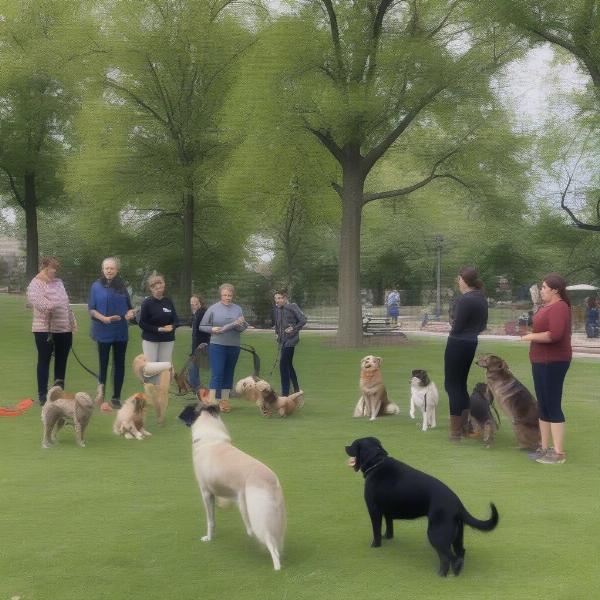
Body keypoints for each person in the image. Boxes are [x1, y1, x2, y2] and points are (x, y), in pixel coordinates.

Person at [520, 274, 572, 464]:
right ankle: (543, 447)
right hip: (540, 361)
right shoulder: (545, 307)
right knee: (542, 404)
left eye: (544, 287)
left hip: (554, 362)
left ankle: (558, 453)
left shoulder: (560, 307)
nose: (541, 290)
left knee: (552, 404)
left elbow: (555, 335)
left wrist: (529, 337)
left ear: (555, 290)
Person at [444, 266, 488, 441]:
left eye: (459, 279)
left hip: (457, 343)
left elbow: (457, 325)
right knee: (460, 384)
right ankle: (465, 426)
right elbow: (482, 325)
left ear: (463, 280)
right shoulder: (481, 298)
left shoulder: (465, 299)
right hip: (471, 343)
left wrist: (453, 323)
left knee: (452, 385)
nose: (458, 282)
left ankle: (456, 431)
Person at [26, 257, 77, 405]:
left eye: (56, 268)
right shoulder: (35, 284)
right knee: (44, 361)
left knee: (61, 362)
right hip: (44, 330)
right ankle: (42, 395)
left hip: (64, 329)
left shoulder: (59, 283)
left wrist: (72, 323)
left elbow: (66, 304)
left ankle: (58, 393)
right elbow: (40, 304)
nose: (55, 271)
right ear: (44, 267)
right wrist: (53, 304)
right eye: (53, 268)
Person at [88, 257, 136, 412]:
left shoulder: (123, 287)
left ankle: (116, 397)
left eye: (112, 268)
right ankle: (100, 394)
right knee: (103, 363)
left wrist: (130, 314)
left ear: (117, 270)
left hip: (120, 331)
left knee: (119, 364)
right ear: (102, 269)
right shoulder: (96, 286)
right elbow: (92, 309)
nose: (109, 271)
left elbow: (130, 308)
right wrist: (104, 319)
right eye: (106, 268)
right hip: (103, 330)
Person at [199, 283, 248, 412]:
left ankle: (224, 401)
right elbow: (202, 326)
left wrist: (239, 324)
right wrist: (212, 329)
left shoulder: (238, 309)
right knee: (217, 374)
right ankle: (213, 402)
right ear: (221, 295)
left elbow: (242, 328)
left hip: (233, 346)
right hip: (217, 346)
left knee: (228, 374)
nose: (227, 297)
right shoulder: (213, 308)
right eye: (225, 295)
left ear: (233, 295)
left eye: (230, 295)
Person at [138, 273, 179, 362]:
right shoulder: (147, 303)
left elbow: (176, 320)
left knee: (165, 366)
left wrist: (172, 326)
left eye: (161, 287)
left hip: (167, 339)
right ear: (151, 289)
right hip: (151, 339)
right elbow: (142, 323)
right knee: (151, 367)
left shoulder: (168, 301)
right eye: (156, 288)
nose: (159, 290)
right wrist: (159, 329)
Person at [273, 290, 307, 396]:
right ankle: (296, 390)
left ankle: (285, 393)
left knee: (283, 365)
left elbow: (303, 320)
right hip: (282, 341)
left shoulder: (292, 306)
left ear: (285, 298)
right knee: (288, 365)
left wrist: (293, 328)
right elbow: (277, 324)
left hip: (291, 340)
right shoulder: (277, 309)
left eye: (280, 298)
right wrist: (277, 333)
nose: (278, 300)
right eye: (276, 298)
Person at [188, 294, 210, 396]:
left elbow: (201, 332)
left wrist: (199, 347)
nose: (193, 305)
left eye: (195, 303)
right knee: (193, 366)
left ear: (200, 303)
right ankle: (196, 388)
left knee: (193, 366)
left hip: (202, 345)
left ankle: (196, 388)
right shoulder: (197, 313)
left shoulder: (202, 313)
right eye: (191, 303)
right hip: (200, 344)